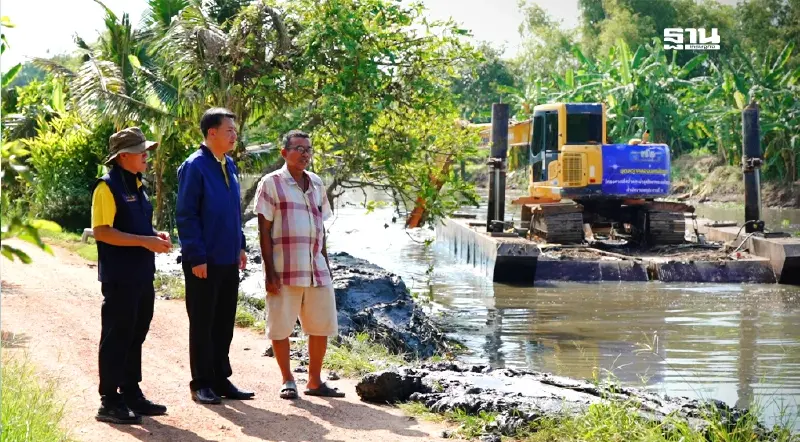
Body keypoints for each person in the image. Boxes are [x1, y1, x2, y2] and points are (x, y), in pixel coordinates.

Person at [255, 130, 344, 399]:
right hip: (284, 268)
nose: (305, 154)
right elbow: (264, 231)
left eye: (308, 150)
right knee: (281, 325)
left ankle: (314, 381)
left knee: (321, 325)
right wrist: (269, 272)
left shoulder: (316, 183)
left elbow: (321, 228)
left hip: (316, 268)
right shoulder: (271, 183)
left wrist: (326, 264)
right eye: (299, 149)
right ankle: (287, 379)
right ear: (284, 153)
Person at [91, 127, 172, 424]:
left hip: (141, 273)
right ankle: (109, 400)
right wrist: (144, 241)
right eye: (141, 152)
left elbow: (136, 227)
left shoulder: (137, 184)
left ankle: (130, 392)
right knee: (117, 335)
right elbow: (102, 232)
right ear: (123, 156)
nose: (146, 156)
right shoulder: (106, 186)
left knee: (136, 333)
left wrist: (154, 235)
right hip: (120, 275)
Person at [176, 107, 254, 404]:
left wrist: (241, 245)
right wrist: (196, 257)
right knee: (203, 323)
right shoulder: (194, 166)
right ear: (212, 133)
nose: (235, 135)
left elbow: (235, 211)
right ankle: (201, 383)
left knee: (224, 321)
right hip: (204, 261)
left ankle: (221, 379)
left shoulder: (229, 164)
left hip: (227, 258)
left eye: (235, 131)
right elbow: (186, 215)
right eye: (229, 131)